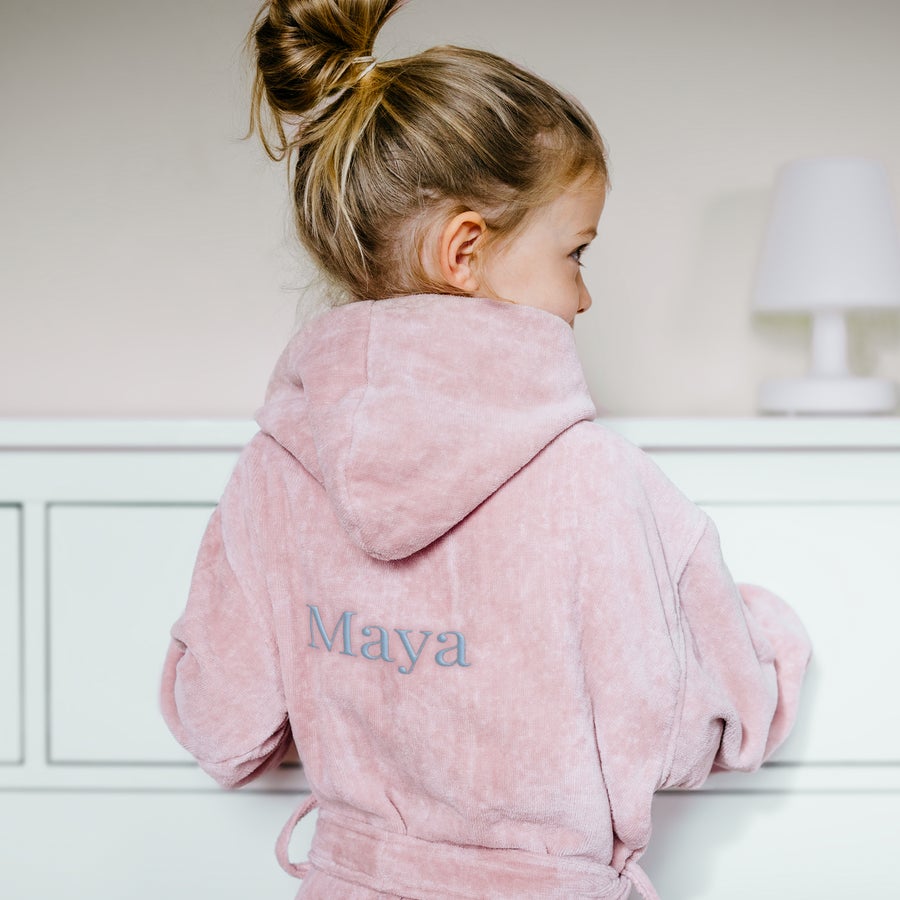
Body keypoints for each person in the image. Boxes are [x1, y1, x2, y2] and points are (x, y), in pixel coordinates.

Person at [160, 1, 812, 897]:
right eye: (577, 252)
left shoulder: (275, 475)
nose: (583, 298)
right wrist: (768, 637)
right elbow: (680, 734)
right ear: (465, 250)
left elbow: (223, 727)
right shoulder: (595, 481)